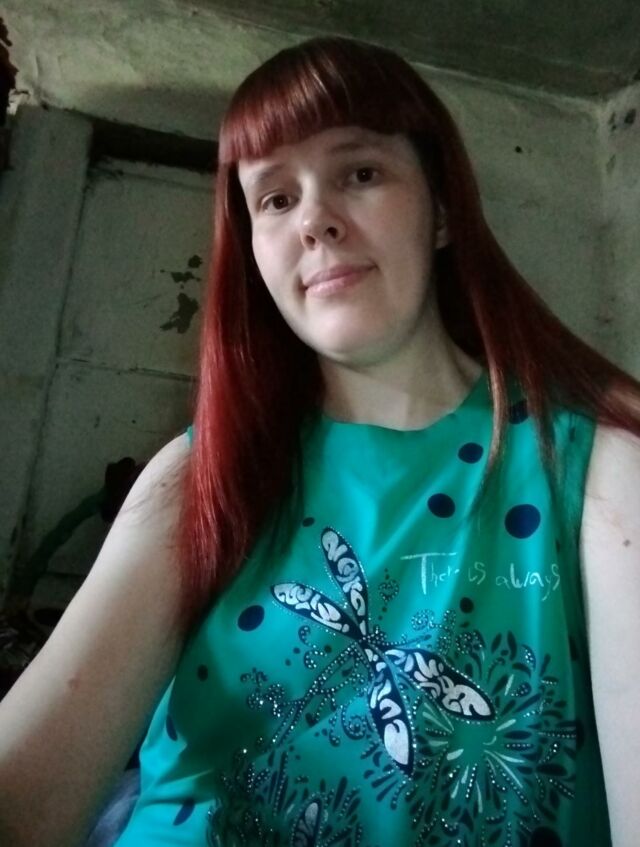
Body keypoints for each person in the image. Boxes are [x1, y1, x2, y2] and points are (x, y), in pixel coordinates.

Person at [0, 35, 639, 847]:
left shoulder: (597, 470)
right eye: (274, 198)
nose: (314, 221)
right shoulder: (196, 475)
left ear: (443, 209)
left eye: (360, 173)